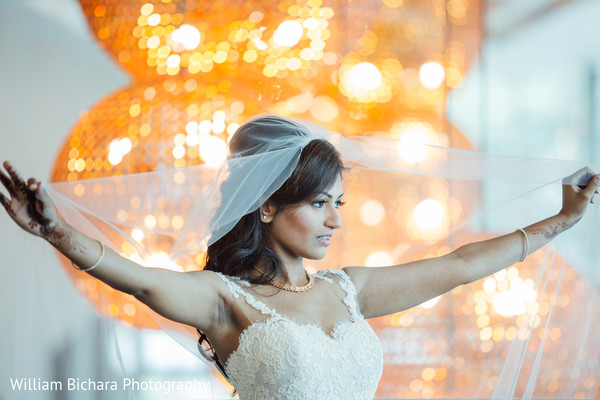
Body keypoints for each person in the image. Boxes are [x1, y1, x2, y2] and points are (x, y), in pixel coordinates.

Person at [1, 115, 598, 399]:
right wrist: (58, 234)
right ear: (266, 207)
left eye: (339, 201)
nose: (336, 220)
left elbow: (463, 264)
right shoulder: (222, 299)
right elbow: (136, 279)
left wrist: (564, 220)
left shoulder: (349, 288)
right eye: (319, 202)